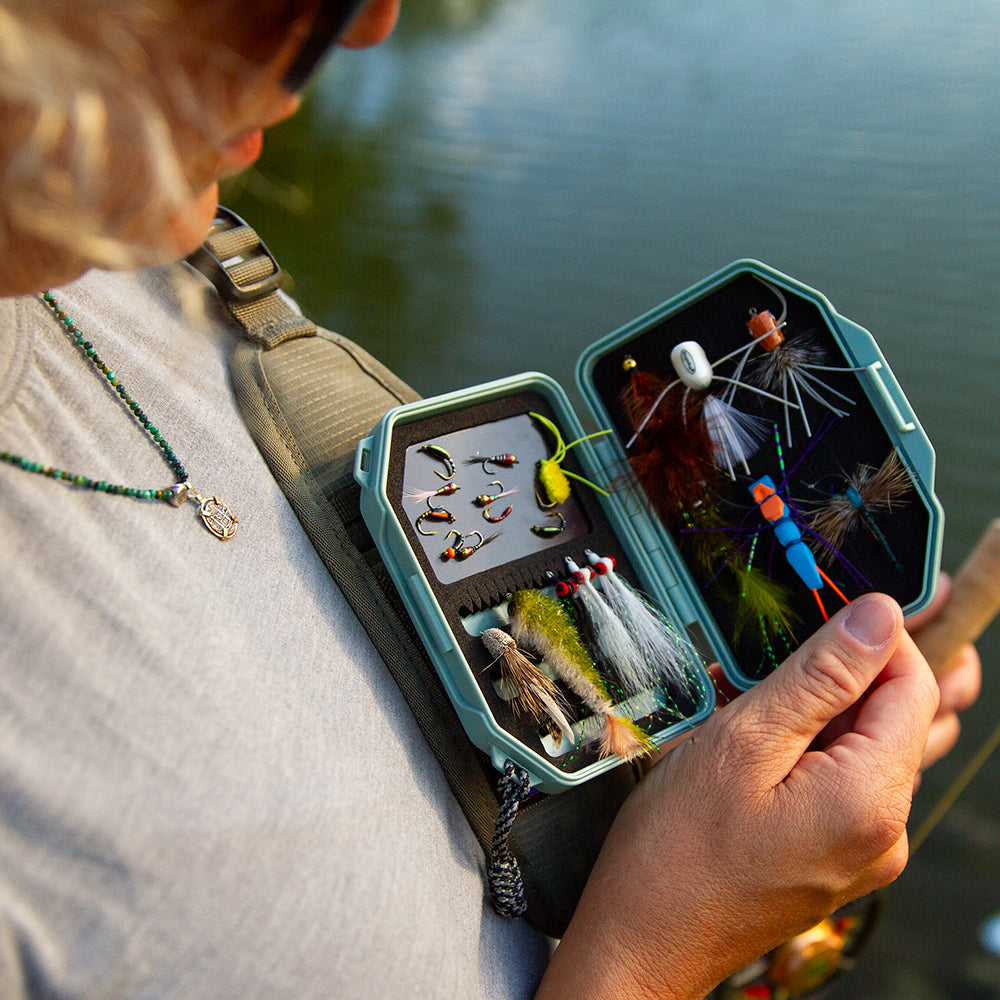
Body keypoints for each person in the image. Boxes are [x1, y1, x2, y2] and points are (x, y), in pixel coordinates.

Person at [0, 2, 981, 998]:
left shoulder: (119, 241)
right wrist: (657, 954)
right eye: (287, 9)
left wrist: (711, 753)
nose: (374, 24)